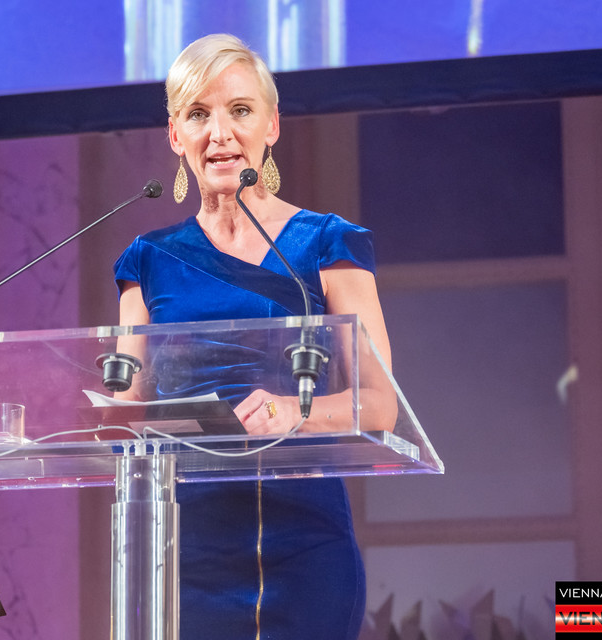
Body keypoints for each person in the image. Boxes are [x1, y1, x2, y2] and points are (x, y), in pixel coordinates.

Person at [112, 34, 396, 638]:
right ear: (175, 135)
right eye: (198, 114)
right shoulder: (148, 260)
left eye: (240, 110)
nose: (219, 133)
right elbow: (124, 413)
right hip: (185, 549)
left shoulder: (327, 243)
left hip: (304, 548)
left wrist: (293, 412)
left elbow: (379, 405)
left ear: (272, 125)